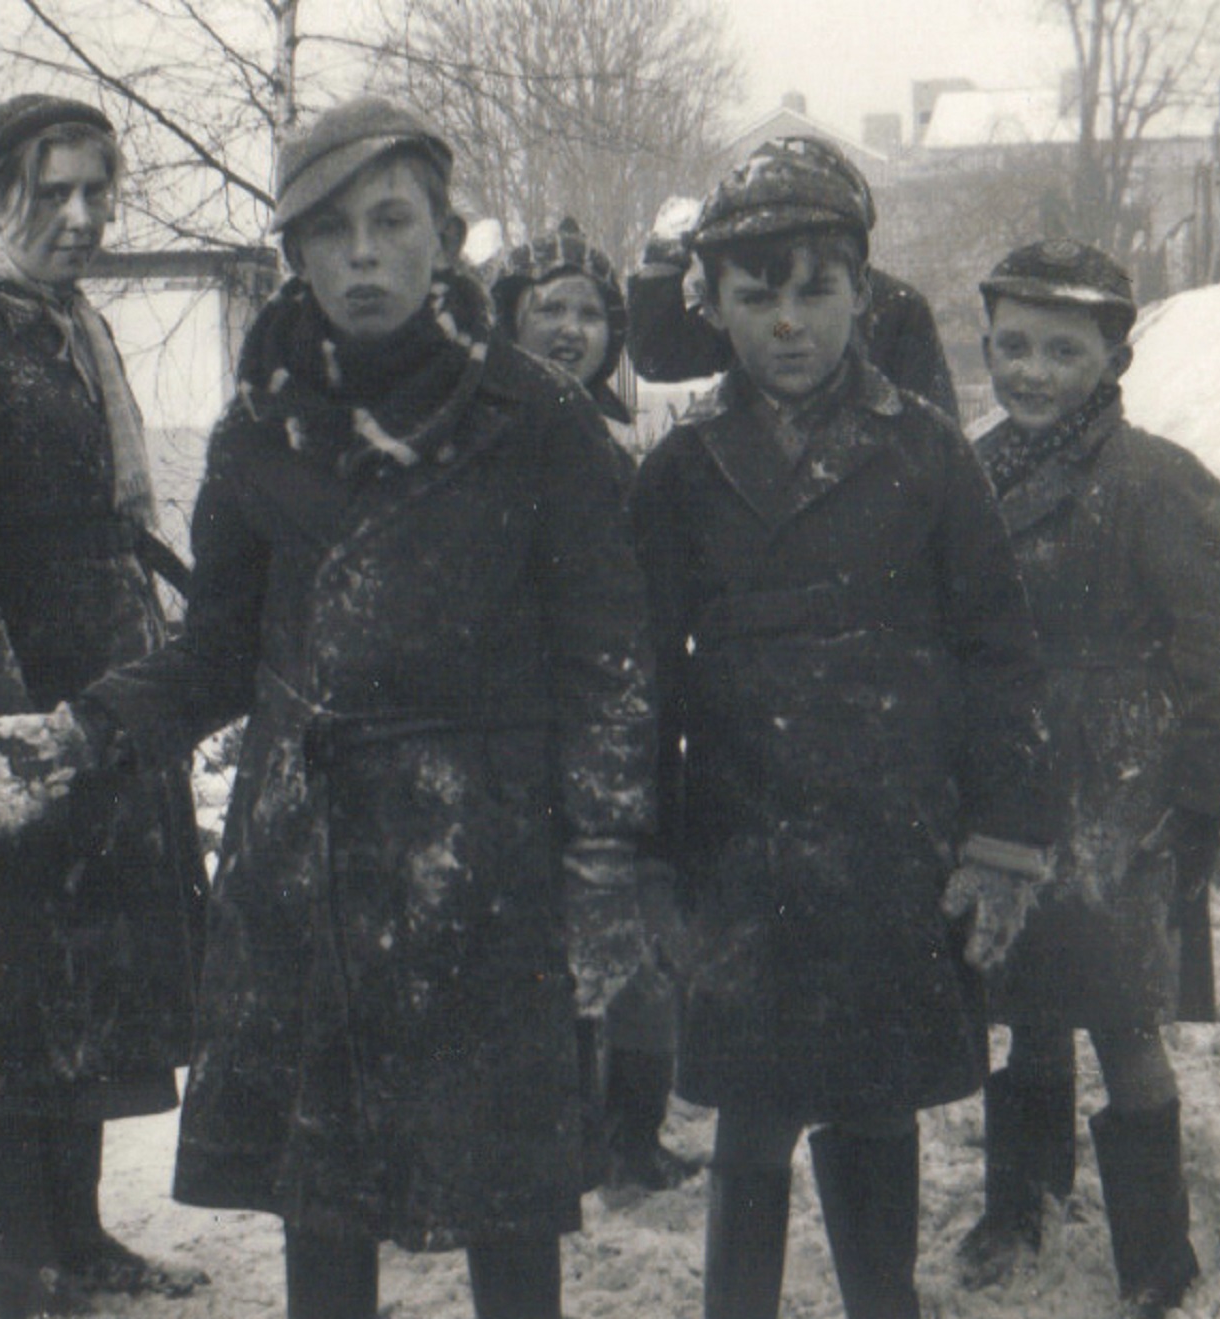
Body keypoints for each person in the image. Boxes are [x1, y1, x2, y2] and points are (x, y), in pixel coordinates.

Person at [58, 96, 656, 1319]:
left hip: (484, 857)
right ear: (294, 254)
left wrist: (601, 859)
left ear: (445, 234)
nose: (364, 255)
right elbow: (216, 654)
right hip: (308, 860)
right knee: (319, 1192)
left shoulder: (535, 418)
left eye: (392, 222)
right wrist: (86, 727)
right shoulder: (256, 431)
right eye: (328, 232)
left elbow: (609, 657)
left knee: (504, 1198)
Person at [629, 140, 1054, 1319]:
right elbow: (643, 685)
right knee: (752, 1120)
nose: (789, 323)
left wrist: (1000, 837)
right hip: (739, 852)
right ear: (709, 303)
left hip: (888, 846)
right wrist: (646, 862)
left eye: (816, 289)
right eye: (756, 294)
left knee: (873, 1105)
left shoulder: (925, 453)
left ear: (862, 294)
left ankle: (884, 1303)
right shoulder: (677, 474)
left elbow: (999, 653)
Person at [0, 95, 209, 1317]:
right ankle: (27, 1270)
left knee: (92, 986)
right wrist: (9, 744)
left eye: (97, 192)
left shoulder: (67, 323)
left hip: (99, 700)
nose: (82, 216)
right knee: (5, 995)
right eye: (52, 193)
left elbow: (118, 519)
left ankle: (83, 1235)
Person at [953, 239, 1220, 1319]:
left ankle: (1155, 1251)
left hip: (1118, 787)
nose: (1029, 371)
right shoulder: (974, 466)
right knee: (1015, 999)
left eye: (1059, 349)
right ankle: (1021, 1202)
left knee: (1123, 1017)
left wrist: (1197, 795)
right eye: (1010, 347)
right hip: (1011, 778)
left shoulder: (1150, 479)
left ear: (1111, 355)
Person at [488, 218, 698, 1192]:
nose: (570, 329)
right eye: (547, 310)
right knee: (542, 933)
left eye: (589, 312)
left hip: (633, 713)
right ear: (506, 324)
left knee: (642, 916)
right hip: (523, 721)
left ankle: (632, 1130)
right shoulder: (478, 443)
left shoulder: (637, 444)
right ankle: (559, 1126)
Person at [626, 136, 959, 419]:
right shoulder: (750, 295)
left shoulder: (897, 308)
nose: (787, 324)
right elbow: (659, 356)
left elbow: (933, 424)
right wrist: (664, 258)